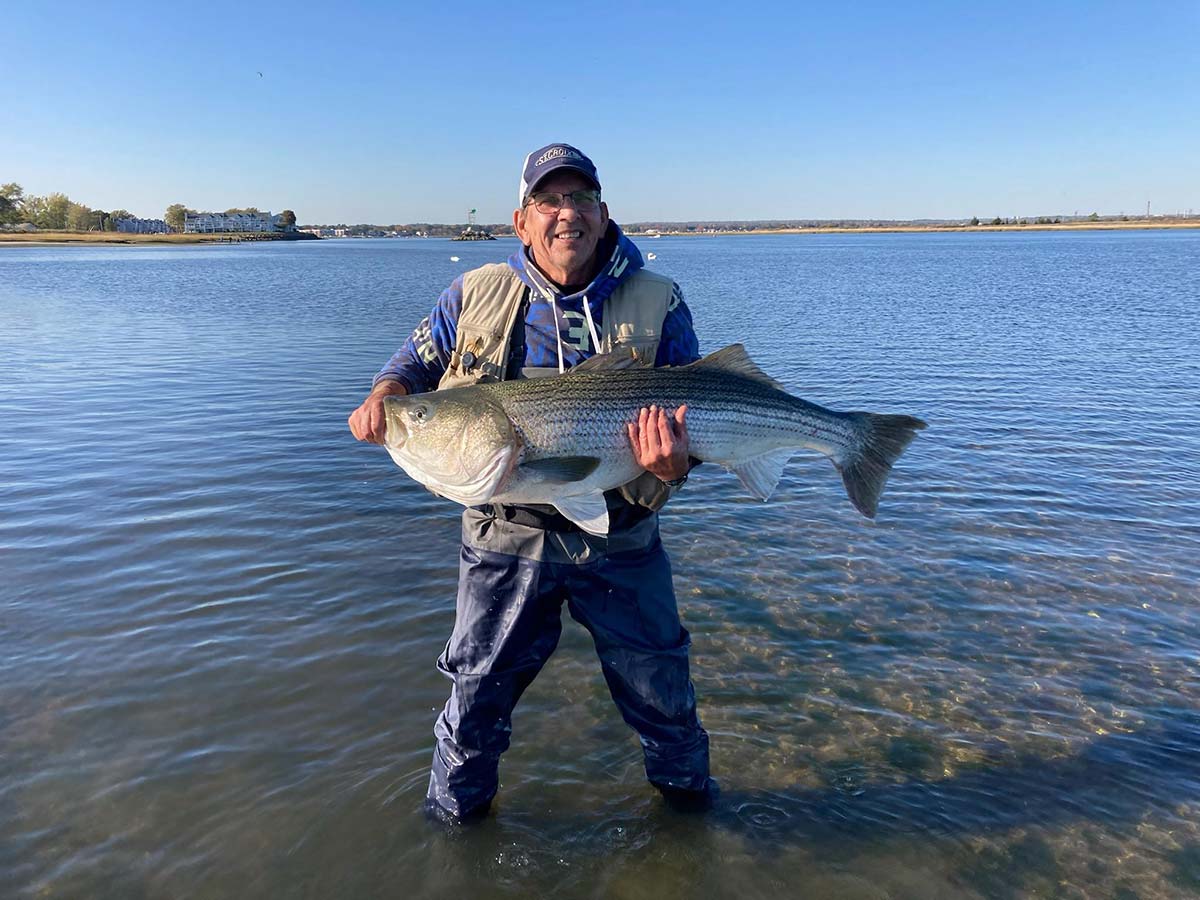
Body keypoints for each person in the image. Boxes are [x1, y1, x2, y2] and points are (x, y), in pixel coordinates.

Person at [348, 143, 714, 823]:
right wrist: (386, 396)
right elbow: (410, 365)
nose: (566, 213)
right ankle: (453, 834)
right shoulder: (472, 292)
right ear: (522, 221)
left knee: (664, 696)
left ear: (604, 217)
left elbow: (692, 416)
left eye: (581, 200)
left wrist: (677, 462)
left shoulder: (660, 299)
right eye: (550, 200)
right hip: (502, 536)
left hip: (623, 533)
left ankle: (694, 825)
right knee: (475, 701)